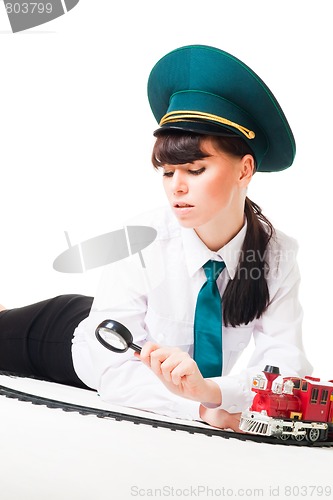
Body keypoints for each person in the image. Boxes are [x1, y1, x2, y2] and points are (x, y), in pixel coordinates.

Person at [0, 45, 312, 432]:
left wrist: (213, 391)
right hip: (70, 337)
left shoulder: (276, 256)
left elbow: (286, 366)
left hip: (120, 322)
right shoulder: (142, 241)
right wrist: (202, 407)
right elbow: (113, 371)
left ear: (245, 169)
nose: (176, 188)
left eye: (195, 170)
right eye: (167, 173)